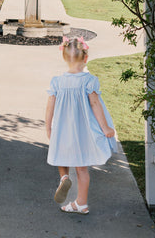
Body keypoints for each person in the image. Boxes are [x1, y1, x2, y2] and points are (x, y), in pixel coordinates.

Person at [45, 35, 116, 214]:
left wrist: (48, 127)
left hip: (62, 129)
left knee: (61, 155)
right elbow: (95, 104)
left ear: (64, 58)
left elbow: (49, 107)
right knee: (82, 168)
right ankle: (81, 203)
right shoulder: (88, 80)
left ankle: (64, 178)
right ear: (85, 58)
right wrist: (105, 127)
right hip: (82, 132)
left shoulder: (57, 82)